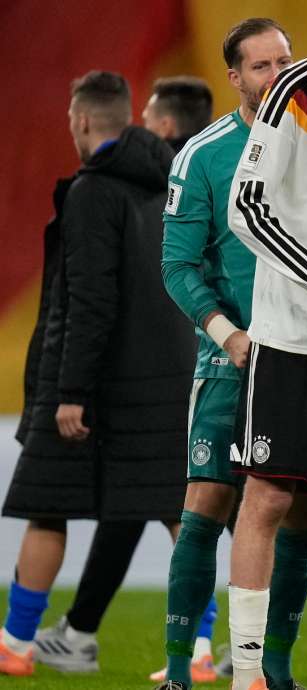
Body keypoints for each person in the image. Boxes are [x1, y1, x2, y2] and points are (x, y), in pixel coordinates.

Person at [0, 71, 195, 678]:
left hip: (95, 387)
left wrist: (71, 390)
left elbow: (87, 300)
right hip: (168, 380)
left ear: (82, 121)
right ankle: (206, 648)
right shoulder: (170, 186)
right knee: (182, 515)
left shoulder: (91, 193)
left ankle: (17, 643)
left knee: (46, 506)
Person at [155, 19, 307, 690]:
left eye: (285, 60)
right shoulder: (203, 155)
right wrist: (230, 335)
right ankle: (179, 670)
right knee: (204, 507)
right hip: (233, 361)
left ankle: (274, 669)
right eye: (261, 66)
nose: (277, 73)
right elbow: (178, 265)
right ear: (234, 77)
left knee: (301, 514)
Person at [143, 77, 215, 151]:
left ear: (165, 125)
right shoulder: (221, 155)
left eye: (146, 121)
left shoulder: (153, 160)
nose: (144, 132)